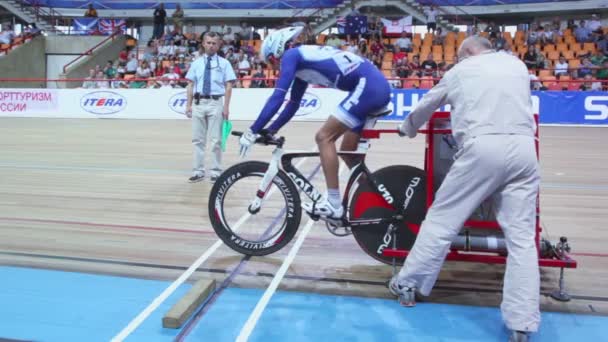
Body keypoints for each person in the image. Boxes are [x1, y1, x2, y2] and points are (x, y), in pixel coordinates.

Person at [389, 36, 540, 342]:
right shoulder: (517, 65)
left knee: (443, 219)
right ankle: (522, 322)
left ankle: (410, 282)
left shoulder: (462, 70)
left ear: (468, 52)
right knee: (522, 238)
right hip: (525, 150)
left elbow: (430, 102)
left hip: (482, 147)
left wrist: (407, 127)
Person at [238, 26, 391, 219]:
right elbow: (292, 104)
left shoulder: (291, 56)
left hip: (368, 86)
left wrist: (252, 130)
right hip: (372, 84)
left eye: (269, 62)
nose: (272, 68)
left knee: (324, 137)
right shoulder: (301, 64)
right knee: (349, 156)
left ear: (275, 53)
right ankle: (379, 201)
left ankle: (334, 204)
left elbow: (278, 97)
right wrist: (270, 130)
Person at [185, 32, 236, 183]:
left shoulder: (224, 63)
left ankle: (215, 171)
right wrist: (188, 105)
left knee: (216, 140)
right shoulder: (196, 63)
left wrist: (226, 107)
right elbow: (190, 84)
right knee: (197, 140)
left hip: (215, 103)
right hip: (198, 103)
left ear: (219, 45)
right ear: (203, 44)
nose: (211, 45)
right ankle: (198, 171)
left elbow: (228, 86)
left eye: (214, 43)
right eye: (208, 42)